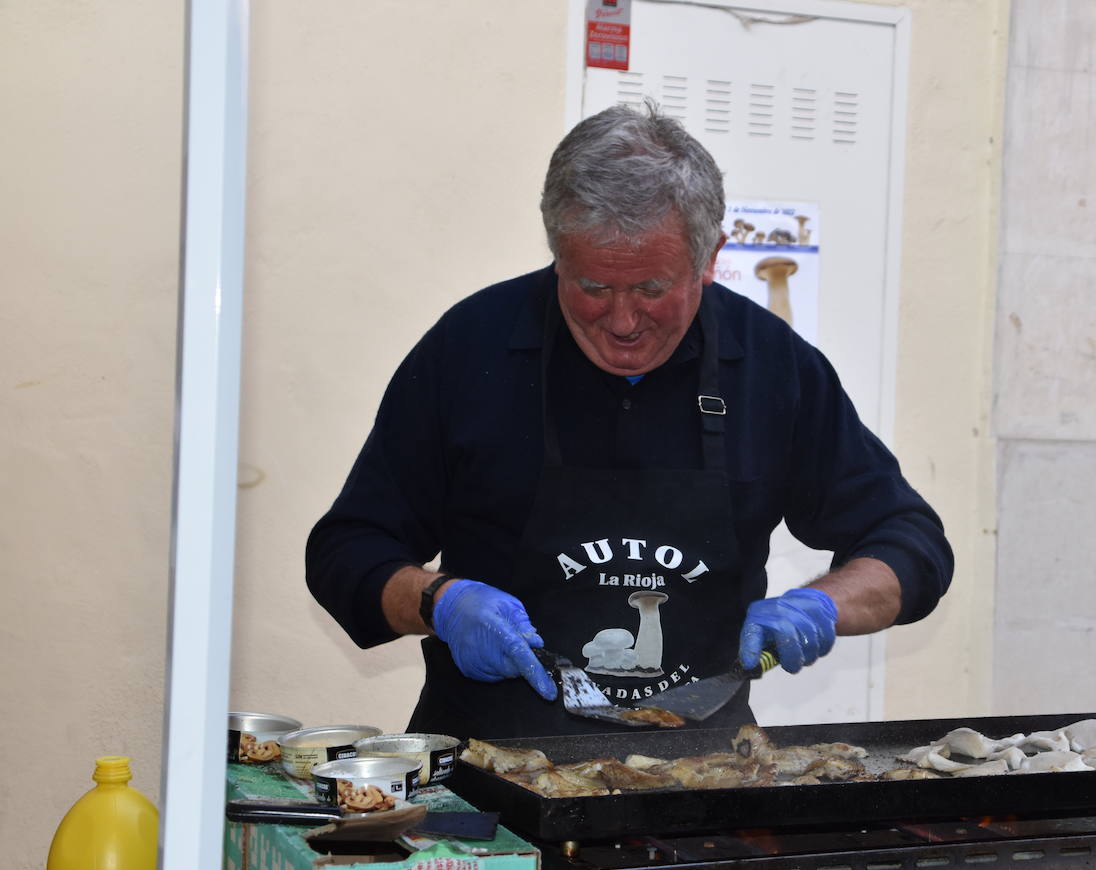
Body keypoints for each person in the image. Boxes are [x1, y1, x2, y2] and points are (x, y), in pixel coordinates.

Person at [305, 104, 954, 739]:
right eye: (591, 286)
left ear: (710, 259)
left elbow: (910, 542)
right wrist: (437, 602)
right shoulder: (470, 350)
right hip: (489, 779)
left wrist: (826, 604)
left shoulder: (771, 367)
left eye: (650, 289)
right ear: (558, 252)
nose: (620, 320)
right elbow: (346, 551)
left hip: (697, 772)